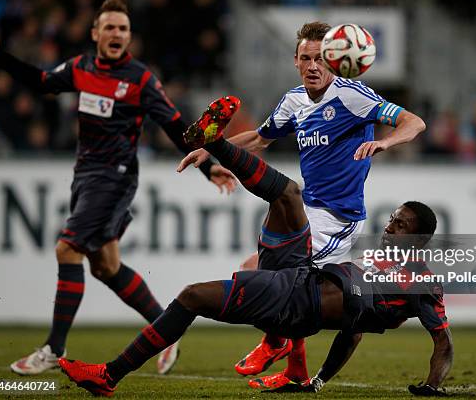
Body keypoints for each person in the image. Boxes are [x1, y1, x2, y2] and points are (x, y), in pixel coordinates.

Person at [59, 104, 453, 398]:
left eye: (399, 225)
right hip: (302, 282)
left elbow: (443, 344)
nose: (389, 226)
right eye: (392, 219)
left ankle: (108, 376)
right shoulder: (378, 267)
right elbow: (352, 334)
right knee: (286, 198)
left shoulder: (422, 285)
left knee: (194, 295)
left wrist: (433, 385)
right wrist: (317, 381)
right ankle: (286, 356)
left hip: (298, 302)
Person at [0, 0, 236, 376]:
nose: (117, 34)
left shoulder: (140, 79)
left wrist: (209, 168)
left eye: (123, 28)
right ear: (96, 34)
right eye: (110, 27)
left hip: (116, 176)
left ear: (130, 36)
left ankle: (54, 348)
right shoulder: (81, 67)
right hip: (85, 175)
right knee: (106, 266)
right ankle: (165, 330)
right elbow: (41, 83)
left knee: (67, 248)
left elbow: (173, 125)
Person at [178, 21, 426, 380]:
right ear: (295, 61)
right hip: (306, 210)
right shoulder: (293, 101)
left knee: (263, 276)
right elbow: (261, 139)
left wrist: (385, 142)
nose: (313, 66)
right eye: (306, 59)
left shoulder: (352, 96)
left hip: (339, 219)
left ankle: (277, 342)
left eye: (320, 59)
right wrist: (211, 150)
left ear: (334, 61)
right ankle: (293, 365)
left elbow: (414, 122)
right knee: (276, 280)